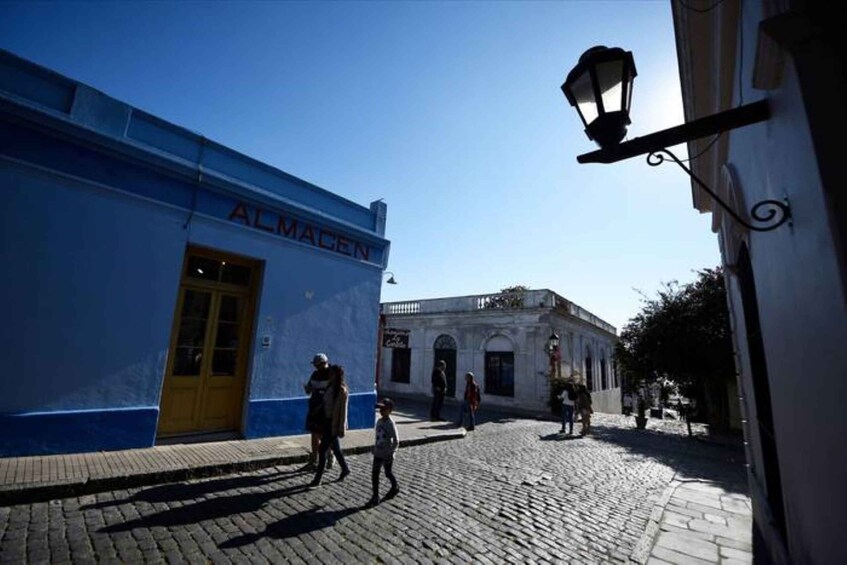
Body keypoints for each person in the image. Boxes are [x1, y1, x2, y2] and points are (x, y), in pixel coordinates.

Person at [309, 364, 351, 487]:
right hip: (326, 421)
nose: (329, 375)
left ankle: (317, 479)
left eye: (332, 374)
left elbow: (343, 412)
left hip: (333, 425)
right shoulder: (330, 386)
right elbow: (325, 402)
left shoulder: (341, 390)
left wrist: (341, 428)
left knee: (322, 450)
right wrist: (317, 411)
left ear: (337, 375)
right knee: (336, 449)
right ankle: (345, 469)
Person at [366, 397, 400, 507]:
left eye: (383, 409)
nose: (381, 411)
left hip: (387, 454)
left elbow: (396, 440)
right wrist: (374, 447)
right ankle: (375, 496)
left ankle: (395, 486)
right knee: (374, 474)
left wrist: (392, 453)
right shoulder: (379, 421)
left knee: (388, 473)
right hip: (378, 453)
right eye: (380, 409)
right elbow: (378, 437)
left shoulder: (390, 424)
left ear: (389, 410)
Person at [304, 353, 334, 468]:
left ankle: (330, 455)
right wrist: (308, 389)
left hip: (325, 409)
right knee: (314, 433)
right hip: (314, 407)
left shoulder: (331, 374)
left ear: (323, 363)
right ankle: (314, 459)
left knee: (323, 434)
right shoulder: (315, 374)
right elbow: (309, 388)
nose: (316, 367)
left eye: (317, 365)